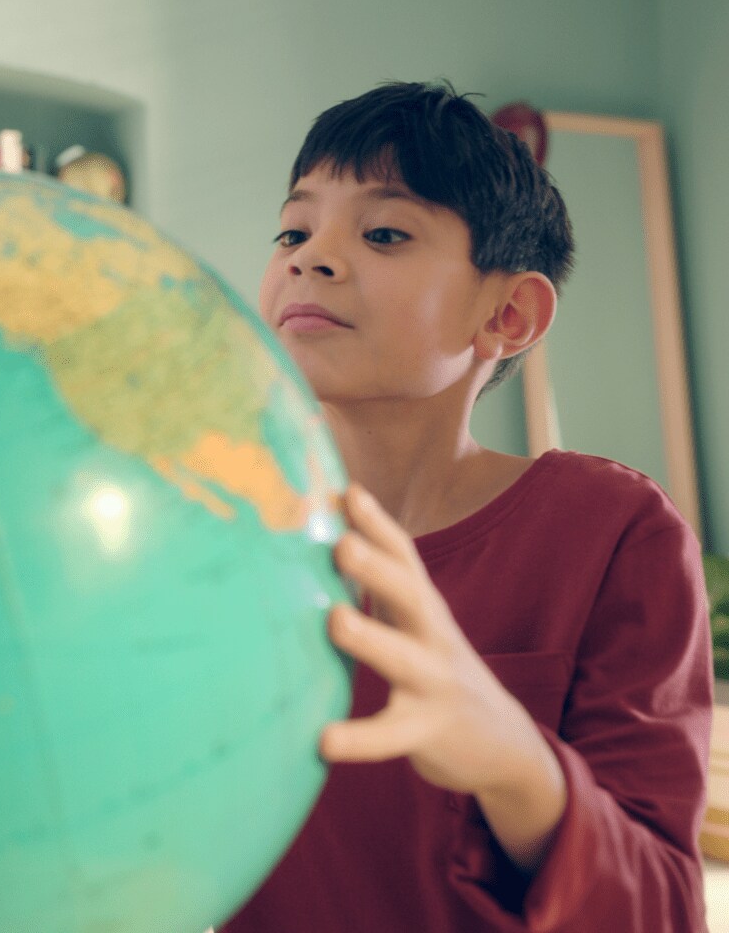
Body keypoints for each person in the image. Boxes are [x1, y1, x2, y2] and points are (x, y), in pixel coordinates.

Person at [221, 80, 713, 932]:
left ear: (510, 313)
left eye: (383, 232)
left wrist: (515, 762)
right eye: (293, 230)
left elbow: (663, 911)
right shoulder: (215, 527)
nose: (310, 257)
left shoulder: (614, 534)